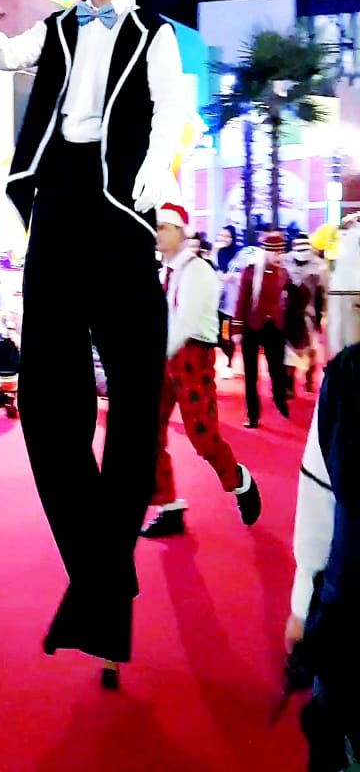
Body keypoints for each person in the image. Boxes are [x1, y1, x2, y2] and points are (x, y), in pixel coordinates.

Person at [0, 0, 186, 687]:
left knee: (136, 395)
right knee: (46, 404)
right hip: (60, 202)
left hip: (121, 206)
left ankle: (101, 589)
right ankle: (106, 574)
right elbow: (4, 55)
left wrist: (157, 186)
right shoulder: (63, 26)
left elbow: (171, 112)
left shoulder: (156, 35)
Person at [284, 223, 360, 772]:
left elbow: (319, 502)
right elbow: (318, 501)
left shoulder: (346, 382)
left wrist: (305, 604)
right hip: (349, 641)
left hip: (349, 640)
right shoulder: (344, 384)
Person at [141, 200, 261, 538]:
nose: (156, 234)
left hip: (192, 359)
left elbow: (186, 323)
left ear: (180, 231)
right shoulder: (165, 271)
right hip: (166, 358)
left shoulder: (197, 270)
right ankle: (168, 506)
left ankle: (239, 481)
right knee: (150, 433)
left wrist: (154, 357)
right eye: (155, 227)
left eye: (162, 227)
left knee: (203, 438)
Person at [233, 230, 291, 428]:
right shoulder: (251, 271)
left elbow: (289, 300)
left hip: (275, 327)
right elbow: (241, 301)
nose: (277, 255)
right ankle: (252, 415)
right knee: (251, 374)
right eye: (274, 251)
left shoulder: (284, 272)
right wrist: (236, 329)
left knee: (277, 369)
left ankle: (280, 399)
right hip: (252, 325)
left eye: (280, 251)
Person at [283, 232, 327, 395]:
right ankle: (289, 384)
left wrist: (320, 315)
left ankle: (309, 379)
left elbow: (322, 293)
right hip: (288, 312)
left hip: (309, 313)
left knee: (311, 348)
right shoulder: (284, 261)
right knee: (288, 350)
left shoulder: (319, 266)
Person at [214, 224, 241, 375]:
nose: (223, 239)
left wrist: (232, 277)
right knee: (217, 332)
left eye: (227, 236)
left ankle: (230, 362)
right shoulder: (217, 253)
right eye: (221, 236)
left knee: (231, 332)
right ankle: (226, 355)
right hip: (218, 298)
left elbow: (242, 275)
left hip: (233, 299)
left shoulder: (238, 255)